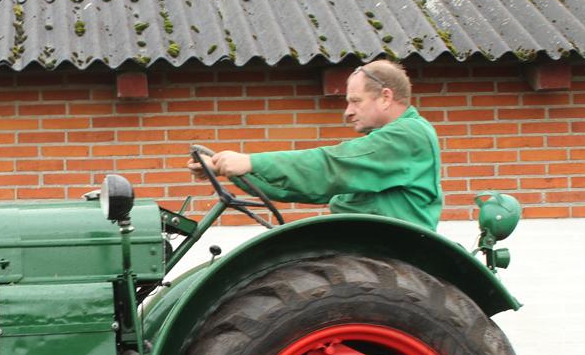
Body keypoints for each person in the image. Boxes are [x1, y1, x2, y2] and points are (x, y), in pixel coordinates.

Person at [188, 59, 442, 229]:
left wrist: (251, 162)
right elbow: (306, 187)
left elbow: (328, 166)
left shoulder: (407, 135)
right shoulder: (393, 144)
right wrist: (231, 169)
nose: (348, 112)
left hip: (389, 250)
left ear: (385, 97)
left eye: (355, 101)